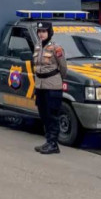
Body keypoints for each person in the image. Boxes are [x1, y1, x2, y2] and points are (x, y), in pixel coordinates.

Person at [32, 20, 69, 155]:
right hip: (40, 85)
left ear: (49, 33)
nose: (41, 34)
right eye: (39, 32)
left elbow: (63, 67)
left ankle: (53, 143)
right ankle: (48, 141)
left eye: (44, 32)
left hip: (52, 85)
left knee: (52, 115)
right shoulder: (37, 47)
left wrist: (59, 80)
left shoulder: (56, 48)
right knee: (43, 114)